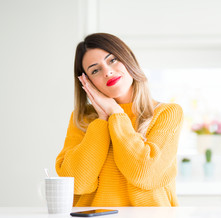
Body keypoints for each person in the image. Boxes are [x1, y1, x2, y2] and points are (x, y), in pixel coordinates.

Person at [56, 33, 183, 207]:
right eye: (95, 70)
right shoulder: (82, 118)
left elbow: (145, 174)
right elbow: (77, 183)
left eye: (113, 60)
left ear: (127, 59)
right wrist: (102, 120)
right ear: (88, 82)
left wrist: (116, 114)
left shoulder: (167, 113)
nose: (107, 72)